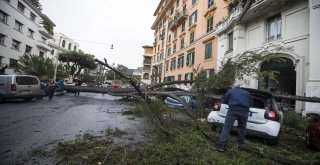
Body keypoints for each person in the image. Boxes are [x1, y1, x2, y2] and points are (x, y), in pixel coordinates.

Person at [215, 82, 253, 152]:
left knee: (226, 127)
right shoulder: (247, 93)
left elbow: (224, 100)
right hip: (244, 111)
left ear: (233, 87)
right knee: (242, 127)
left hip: (233, 110)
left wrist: (231, 101)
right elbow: (251, 103)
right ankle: (240, 144)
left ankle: (221, 146)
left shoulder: (231, 91)